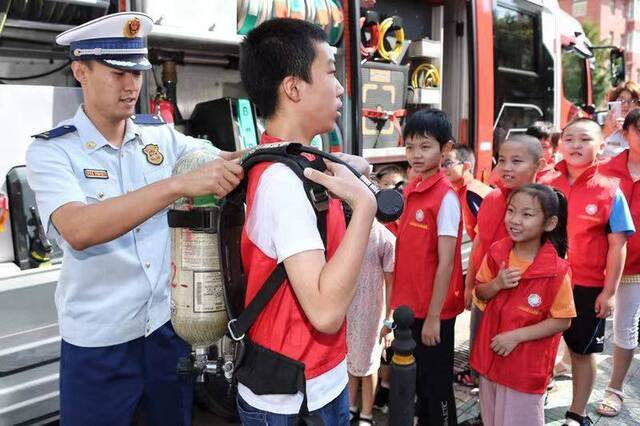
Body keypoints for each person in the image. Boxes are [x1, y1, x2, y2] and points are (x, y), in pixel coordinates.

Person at [24, 12, 245, 426]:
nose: (131, 86)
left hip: (164, 334)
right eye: (116, 72)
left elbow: (223, 160)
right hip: (99, 346)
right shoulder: (54, 152)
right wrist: (176, 186)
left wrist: (299, 155)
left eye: (138, 73)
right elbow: (80, 229)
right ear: (80, 72)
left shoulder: (159, 136)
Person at [235, 18, 377, 424]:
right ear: (293, 87)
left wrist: (355, 167)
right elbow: (326, 312)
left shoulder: (304, 160)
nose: (340, 87)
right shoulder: (281, 180)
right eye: (330, 72)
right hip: (289, 400)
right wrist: (364, 207)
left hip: (321, 381)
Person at [538, 118, 635, 426]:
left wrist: (608, 292)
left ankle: (576, 413)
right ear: (559, 144)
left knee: (581, 352)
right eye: (569, 139)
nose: (576, 145)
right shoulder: (545, 181)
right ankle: (532, 401)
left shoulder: (610, 189)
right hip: (543, 281)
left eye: (585, 139)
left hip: (586, 286)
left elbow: (617, 245)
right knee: (540, 346)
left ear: (601, 146)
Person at [470, 184, 576, 426]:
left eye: (527, 215)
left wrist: (516, 336)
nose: (515, 220)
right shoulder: (498, 252)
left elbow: (562, 320)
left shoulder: (557, 271)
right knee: (491, 419)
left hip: (525, 368)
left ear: (549, 224)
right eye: (511, 211)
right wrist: (497, 284)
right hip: (491, 361)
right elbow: (480, 291)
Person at [391, 108, 464, 425]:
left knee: (436, 388)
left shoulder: (444, 196)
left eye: (425, 146)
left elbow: (447, 261)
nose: (416, 154)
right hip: (409, 309)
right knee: (417, 384)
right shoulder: (411, 189)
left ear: (445, 149)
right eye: (410, 147)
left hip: (432, 312)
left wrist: (435, 317)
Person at [597, 107, 640, 417]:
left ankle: (615, 389)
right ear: (626, 134)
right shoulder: (606, 170)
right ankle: (561, 365)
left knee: (626, 327)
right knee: (579, 318)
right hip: (605, 261)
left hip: (638, 268)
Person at [346, 219, 395, 425]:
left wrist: (389, 320)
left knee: (369, 364)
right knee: (349, 362)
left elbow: (392, 283)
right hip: (348, 308)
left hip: (372, 310)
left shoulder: (385, 238)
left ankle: (366, 414)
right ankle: (351, 407)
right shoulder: (348, 230)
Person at [441, 143, 492, 241]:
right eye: (442, 165)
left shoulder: (472, 193)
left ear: (466, 166)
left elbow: (486, 234)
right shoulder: (460, 192)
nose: (443, 169)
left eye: (448, 163)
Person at [602, 81, 640, 157]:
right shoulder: (608, 128)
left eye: (632, 101)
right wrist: (605, 133)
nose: (626, 105)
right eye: (621, 100)